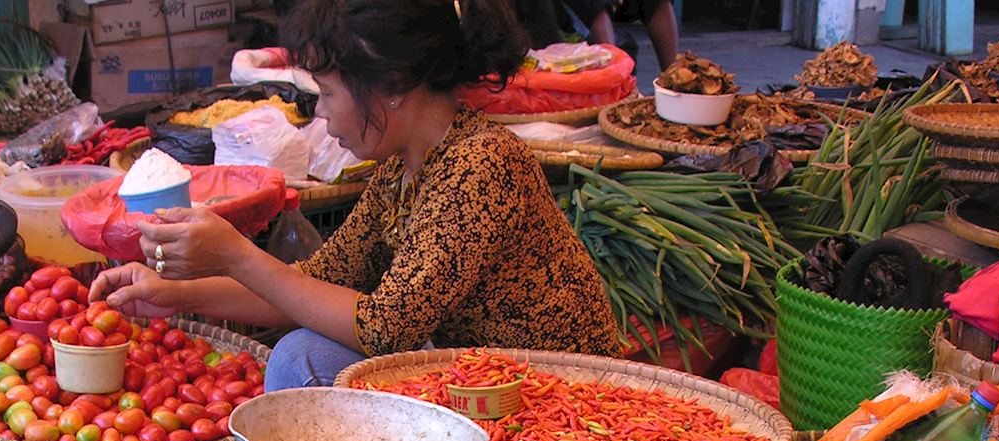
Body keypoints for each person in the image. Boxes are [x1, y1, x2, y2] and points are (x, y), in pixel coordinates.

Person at [90, 0, 622, 391]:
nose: (320, 113)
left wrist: (235, 253)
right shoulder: (403, 170)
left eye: (327, 92)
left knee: (303, 360)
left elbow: (383, 329)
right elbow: (313, 288)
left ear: (391, 84)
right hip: (486, 384)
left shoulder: (479, 166)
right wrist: (174, 294)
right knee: (304, 351)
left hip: (555, 401)